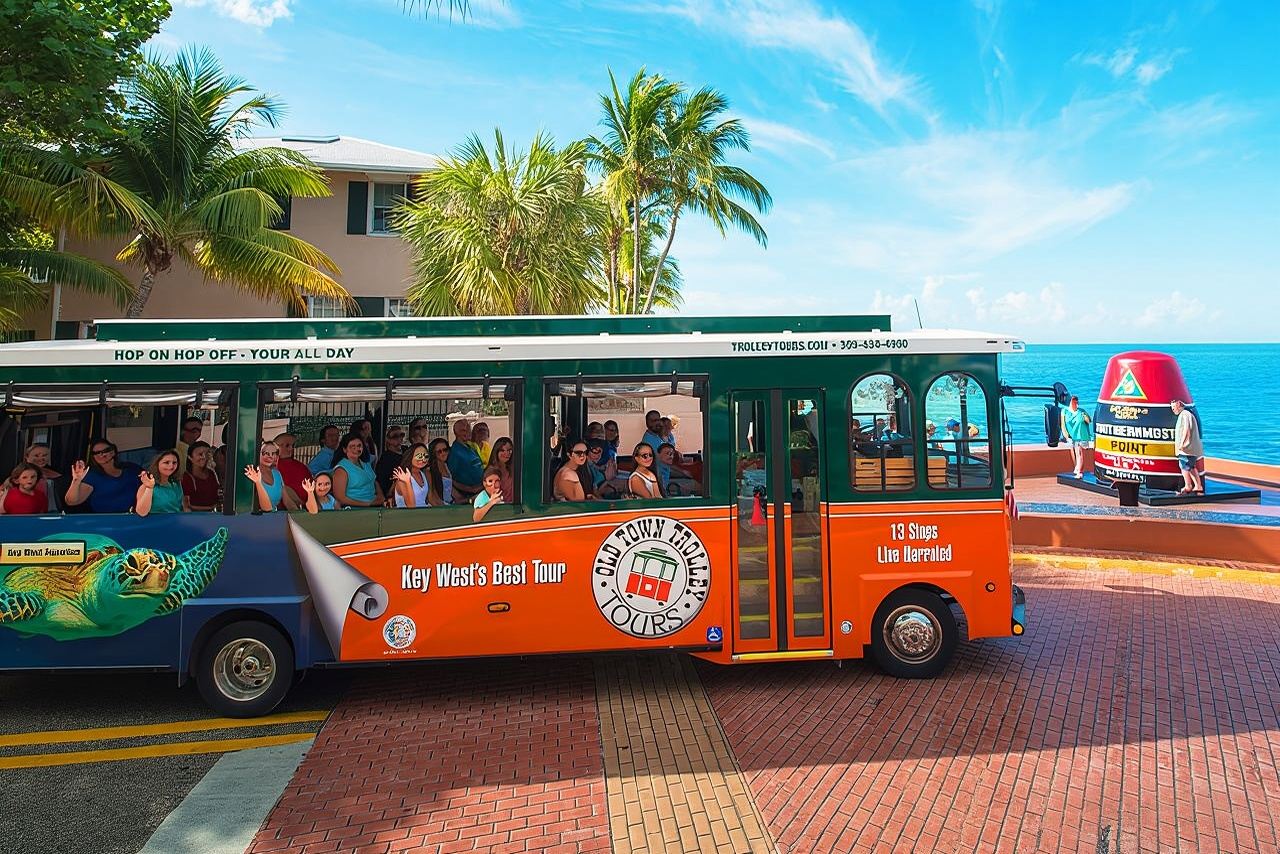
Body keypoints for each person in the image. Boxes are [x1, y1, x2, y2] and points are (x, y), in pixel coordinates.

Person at [64, 439, 143, 513]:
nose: (101, 454)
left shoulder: (131, 469)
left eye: (105, 451)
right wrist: (76, 480)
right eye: (96, 453)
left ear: (113, 452)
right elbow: (71, 501)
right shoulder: (92, 476)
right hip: (103, 521)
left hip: (134, 519)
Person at [244, 441, 301, 512]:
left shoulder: (277, 474)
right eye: (266, 453)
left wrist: (297, 513)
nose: (270, 456)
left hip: (274, 517)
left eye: (274, 453)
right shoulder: (251, 473)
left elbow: (287, 501)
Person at [331, 433, 384, 507]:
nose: (356, 449)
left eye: (359, 446)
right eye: (352, 446)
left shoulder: (365, 463)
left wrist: (381, 497)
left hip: (375, 506)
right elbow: (340, 498)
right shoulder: (341, 469)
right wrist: (367, 504)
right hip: (355, 511)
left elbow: (374, 481)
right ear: (344, 449)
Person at [136, 450, 185, 516]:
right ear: (157, 464)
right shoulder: (145, 486)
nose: (171, 466)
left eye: (174, 463)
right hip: (155, 525)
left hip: (175, 524)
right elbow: (142, 513)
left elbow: (180, 508)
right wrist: (149, 488)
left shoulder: (176, 484)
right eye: (166, 462)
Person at [392, 442, 441, 508]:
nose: (423, 459)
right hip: (408, 516)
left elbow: (431, 497)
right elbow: (411, 506)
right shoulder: (402, 477)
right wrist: (407, 482)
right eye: (419, 456)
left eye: (426, 456)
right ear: (410, 456)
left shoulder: (424, 474)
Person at [1171, 399, 1204, 495]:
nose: (1173, 410)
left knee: (1184, 466)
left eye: (1173, 407)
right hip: (1190, 448)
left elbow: (1187, 429)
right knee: (1191, 466)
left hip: (1186, 448)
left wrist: (1182, 443)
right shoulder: (1186, 414)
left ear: (1178, 404)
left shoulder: (1185, 414)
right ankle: (1198, 485)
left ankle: (1188, 485)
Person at [447, 419, 483, 499]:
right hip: (467, 494)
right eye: (464, 430)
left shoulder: (471, 447)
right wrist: (470, 489)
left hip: (480, 490)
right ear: (457, 433)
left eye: (469, 429)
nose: (468, 432)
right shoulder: (455, 452)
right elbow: (449, 478)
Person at [182, 441, 222, 511]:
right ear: (190, 457)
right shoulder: (186, 478)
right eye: (200, 454)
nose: (204, 457)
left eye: (207, 454)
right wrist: (211, 508)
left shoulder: (212, 473)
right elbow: (186, 506)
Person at [1061, 396, 1093, 478]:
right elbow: (1063, 425)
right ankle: (1077, 469)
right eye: (1074, 402)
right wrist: (1066, 436)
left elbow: (1089, 421)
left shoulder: (1081, 411)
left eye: (1077, 402)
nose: (1076, 404)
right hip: (1072, 436)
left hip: (1082, 435)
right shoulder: (1064, 411)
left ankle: (1080, 471)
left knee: (1080, 452)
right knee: (1075, 453)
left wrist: (1084, 415)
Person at [274, 433, 312, 501]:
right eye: (287, 445)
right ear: (276, 447)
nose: (291, 448)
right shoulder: (271, 467)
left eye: (293, 445)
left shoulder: (301, 466)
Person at [23, 444, 61, 511]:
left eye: (45, 455)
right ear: (27, 457)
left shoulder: (56, 474)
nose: (41, 459)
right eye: (36, 456)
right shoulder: (18, 475)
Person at [375, 425, 406, 497]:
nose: (399, 438)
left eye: (401, 435)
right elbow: (381, 482)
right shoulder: (385, 459)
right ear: (387, 439)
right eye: (395, 436)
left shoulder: (407, 451)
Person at [490, 437, 516, 504]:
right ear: (496, 451)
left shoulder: (512, 469)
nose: (506, 453)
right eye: (502, 450)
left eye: (509, 450)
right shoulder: (491, 471)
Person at [428, 438, 455, 505]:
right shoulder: (429, 471)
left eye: (445, 450)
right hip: (439, 506)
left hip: (450, 503)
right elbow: (432, 497)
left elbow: (451, 489)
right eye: (439, 451)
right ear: (433, 453)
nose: (443, 453)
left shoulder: (447, 466)